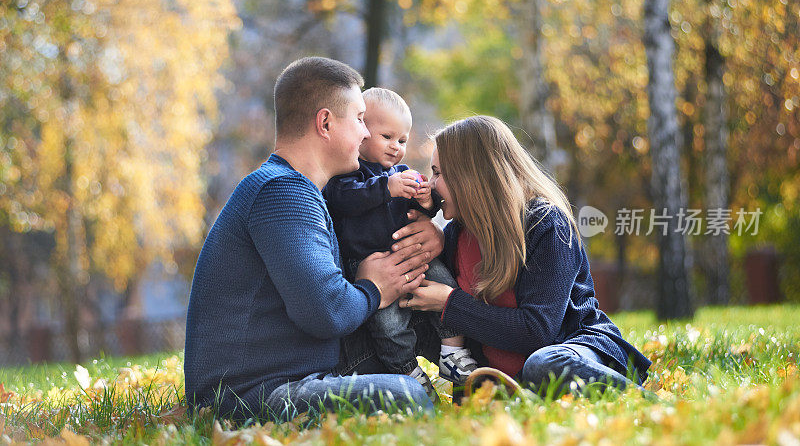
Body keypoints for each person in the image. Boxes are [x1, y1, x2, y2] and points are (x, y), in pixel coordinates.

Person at [184, 57, 444, 422]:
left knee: (427, 311)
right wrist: (374, 288)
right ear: (325, 123)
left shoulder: (302, 191)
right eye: (358, 119)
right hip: (252, 395)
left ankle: (499, 369)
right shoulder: (283, 193)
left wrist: (432, 232)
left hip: (303, 369)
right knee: (406, 396)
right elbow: (329, 311)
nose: (366, 133)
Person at [402, 115, 651, 395]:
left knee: (544, 363)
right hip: (508, 379)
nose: (432, 184)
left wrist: (449, 302)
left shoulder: (547, 225)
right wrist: (422, 217)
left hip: (575, 351)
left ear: (470, 176)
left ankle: (645, 403)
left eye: (438, 173)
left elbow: (537, 331)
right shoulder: (455, 236)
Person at [322, 88, 477, 398]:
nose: (396, 147)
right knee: (388, 324)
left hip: (414, 257)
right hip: (370, 266)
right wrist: (385, 187)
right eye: (387, 137)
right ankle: (407, 371)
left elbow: (425, 212)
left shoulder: (403, 173)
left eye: (403, 141)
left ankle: (452, 352)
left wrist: (426, 200)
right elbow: (345, 201)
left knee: (447, 285)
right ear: (363, 132)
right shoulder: (347, 176)